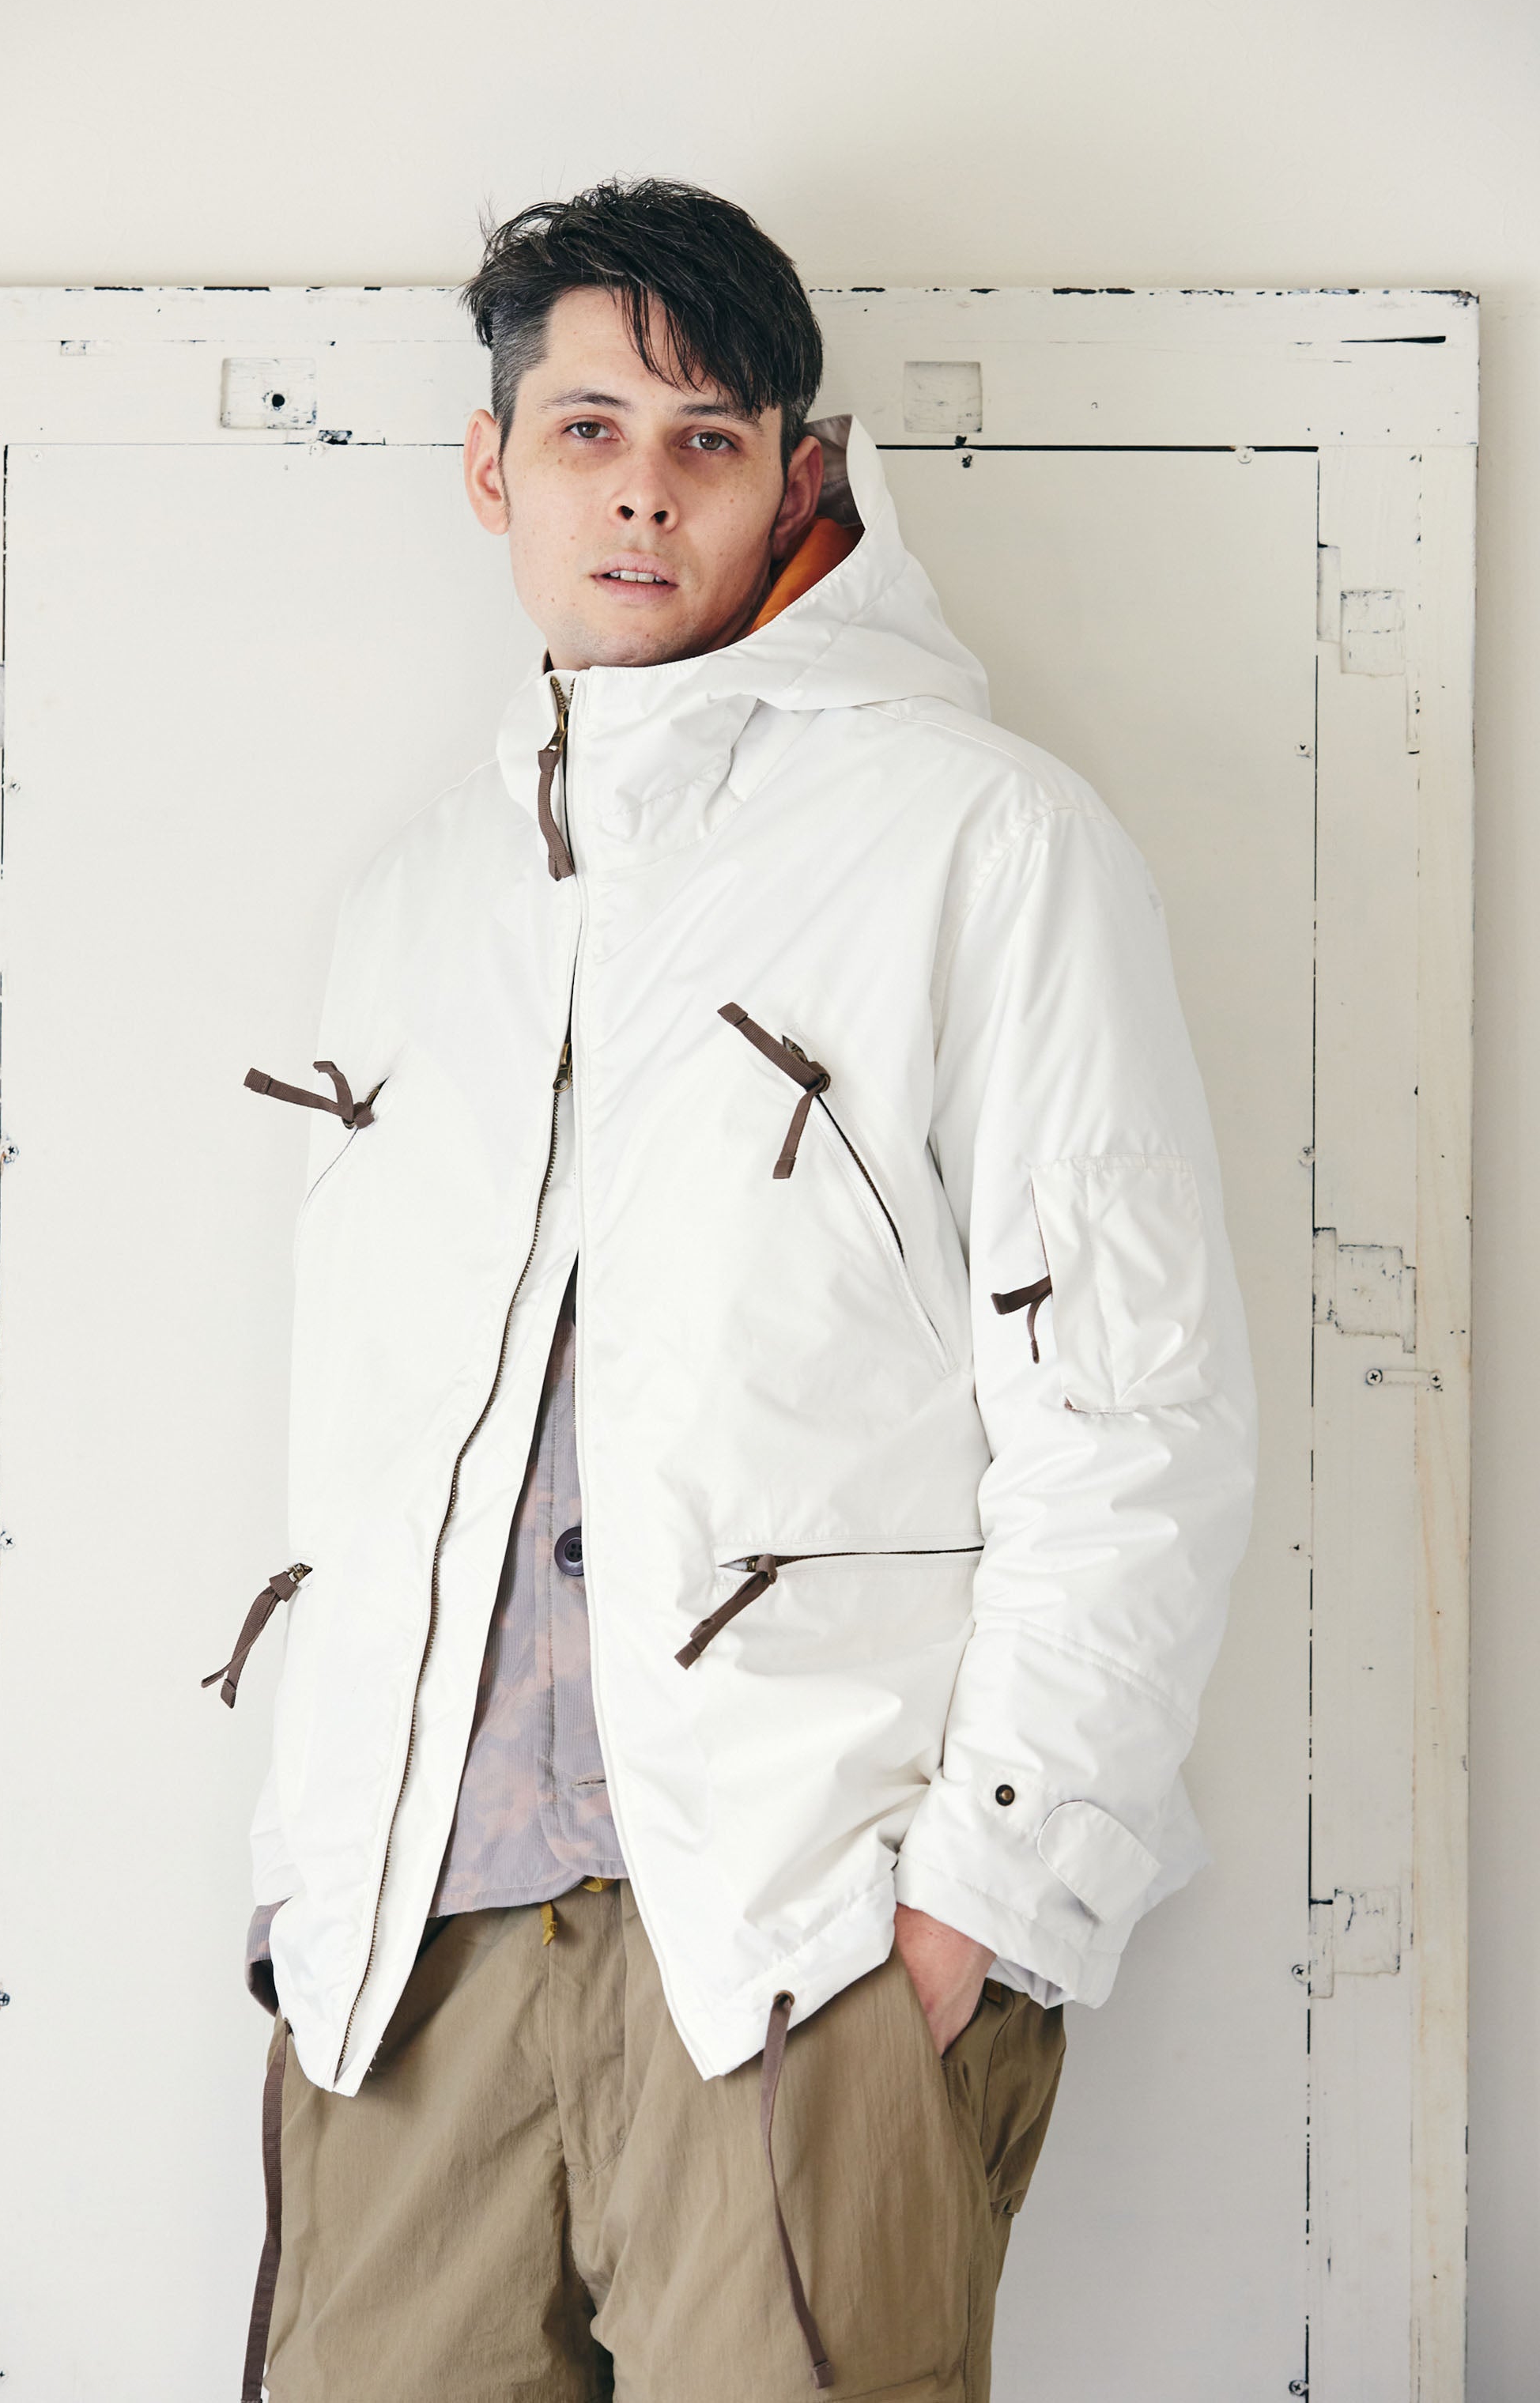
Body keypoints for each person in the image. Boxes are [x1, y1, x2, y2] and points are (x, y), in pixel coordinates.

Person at [206, 176, 1256, 2402]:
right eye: (588, 430)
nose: (642, 492)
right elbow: (375, 1447)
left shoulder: (983, 841)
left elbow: (1133, 1416)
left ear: (798, 471)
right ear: (491, 466)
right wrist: (311, 1886)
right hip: (413, 1961)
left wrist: (979, 1914)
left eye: (707, 439)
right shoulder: (415, 903)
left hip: (800, 1942)